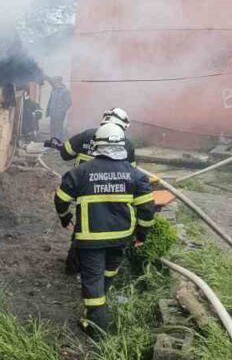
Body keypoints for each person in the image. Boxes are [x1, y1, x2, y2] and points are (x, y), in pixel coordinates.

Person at [54, 122, 157, 336]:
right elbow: (147, 210)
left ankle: (97, 328)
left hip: (90, 239)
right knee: (109, 271)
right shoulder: (136, 175)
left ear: (97, 145)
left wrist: (65, 218)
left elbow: (61, 199)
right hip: (121, 237)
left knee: (91, 280)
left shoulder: (81, 172)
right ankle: (97, 309)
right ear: (122, 144)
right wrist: (141, 234)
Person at [58, 108, 135, 165]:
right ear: (123, 126)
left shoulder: (86, 135)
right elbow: (131, 173)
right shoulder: (127, 144)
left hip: (80, 183)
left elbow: (65, 154)